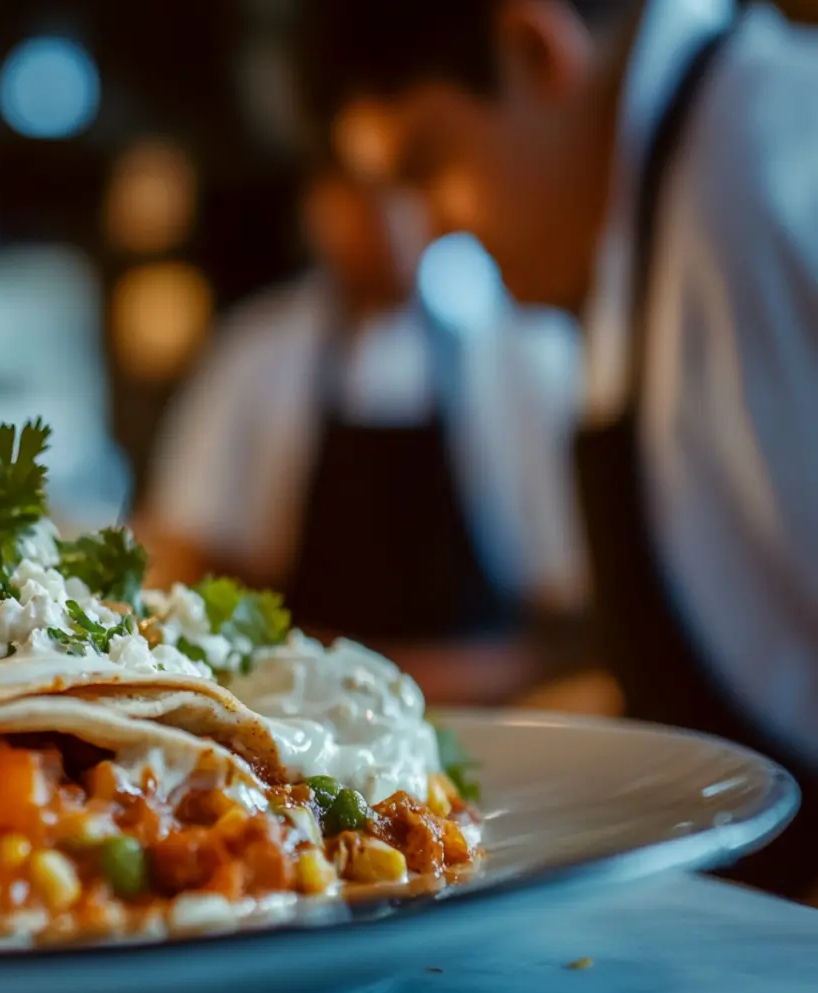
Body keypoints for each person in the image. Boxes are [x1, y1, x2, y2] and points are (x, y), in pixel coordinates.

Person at [298, 0, 818, 896]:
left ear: (534, 51)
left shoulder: (770, 168)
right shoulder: (657, 208)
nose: (430, 229)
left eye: (430, 167)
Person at [139, 165, 588, 704]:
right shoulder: (257, 355)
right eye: (362, 194)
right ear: (318, 205)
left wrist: (455, 678)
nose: (391, 220)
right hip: (302, 711)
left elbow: (571, 606)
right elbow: (182, 558)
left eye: (407, 189)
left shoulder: (521, 353)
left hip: (493, 705)